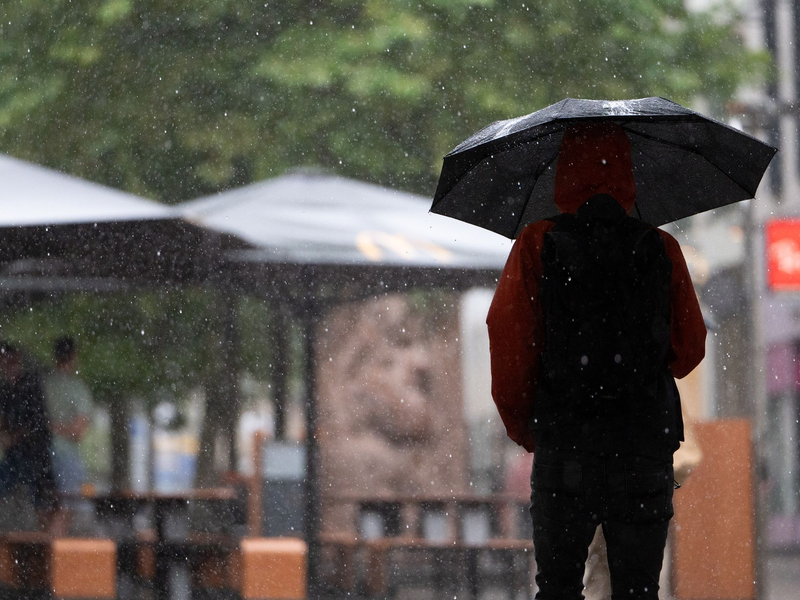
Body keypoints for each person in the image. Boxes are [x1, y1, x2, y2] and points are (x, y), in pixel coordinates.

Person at [486, 122, 706, 600]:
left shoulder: (536, 244)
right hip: (643, 446)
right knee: (639, 588)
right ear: (628, 175)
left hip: (566, 446)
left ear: (563, 175)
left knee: (559, 587)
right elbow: (690, 349)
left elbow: (509, 343)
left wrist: (528, 426)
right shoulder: (659, 246)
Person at [0, 342, 59, 528]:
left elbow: (36, 421)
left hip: (34, 453)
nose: (6, 366)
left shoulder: (30, 384)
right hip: (17, 454)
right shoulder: (6, 389)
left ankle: (41, 543)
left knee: (40, 500)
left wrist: (12, 436)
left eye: (9, 361)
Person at [44, 336, 93, 496]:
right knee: (69, 505)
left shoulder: (42, 385)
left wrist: (48, 427)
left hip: (38, 452)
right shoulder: (77, 389)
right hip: (66, 454)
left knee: (46, 506)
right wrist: (61, 428)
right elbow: (77, 431)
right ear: (73, 356)